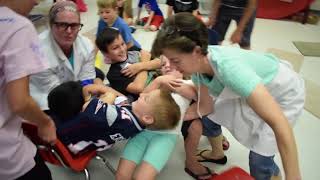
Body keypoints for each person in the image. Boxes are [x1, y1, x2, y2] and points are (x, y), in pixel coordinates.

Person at [151, 13, 305, 180]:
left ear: (196, 51)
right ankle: (217, 153)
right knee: (209, 120)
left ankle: (272, 175)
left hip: (283, 94)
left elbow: (279, 123)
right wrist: (171, 119)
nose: (170, 67)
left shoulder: (230, 69)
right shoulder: (198, 69)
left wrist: (294, 177)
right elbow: (205, 108)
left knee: (260, 160)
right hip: (252, 89)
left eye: (175, 61)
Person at [116, 55, 216, 180]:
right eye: (163, 64)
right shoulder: (158, 82)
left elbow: (206, 103)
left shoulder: (189, 83)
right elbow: (143, 96)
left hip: (166, 137)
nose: (167, 66)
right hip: (142, 131)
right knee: (121, 175)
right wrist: (159, 81)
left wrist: (182, 115)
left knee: (142, 178)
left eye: (173, 62)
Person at [0, 0, 57, 179]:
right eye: (63, 25)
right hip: (8, 156)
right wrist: (45, 123)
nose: (37, 1)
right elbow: (20, 102)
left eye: (74, 25)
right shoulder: (17, 27)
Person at [48, 81, 181, 155]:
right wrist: (106, 91)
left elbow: (89, 111)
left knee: (64, 100)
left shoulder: (121, 118)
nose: (141, 95)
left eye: (146, 98)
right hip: (96, 137)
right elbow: (122, 100)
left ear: (147, 118)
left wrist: (106, 97)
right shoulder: (135, 121)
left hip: (70, 141)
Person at [30, 1, 102, 112]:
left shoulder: (86, 46)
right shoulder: (38, 51)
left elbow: (87, 80)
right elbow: (58, 93)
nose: (69, 31)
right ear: (51, 24)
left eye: (74, 25)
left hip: (75, 92)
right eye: (62, 25)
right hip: (48, 101)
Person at [95, 27, 162, 102]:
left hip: (161, 85)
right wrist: (144, 63)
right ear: (106, 54)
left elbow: (160, 63)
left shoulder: (133, 50)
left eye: (122, 44)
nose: (122, 49)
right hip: (148, 98)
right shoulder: (113, 74)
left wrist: (140, 66)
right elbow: (138, 88)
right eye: (115, 48)